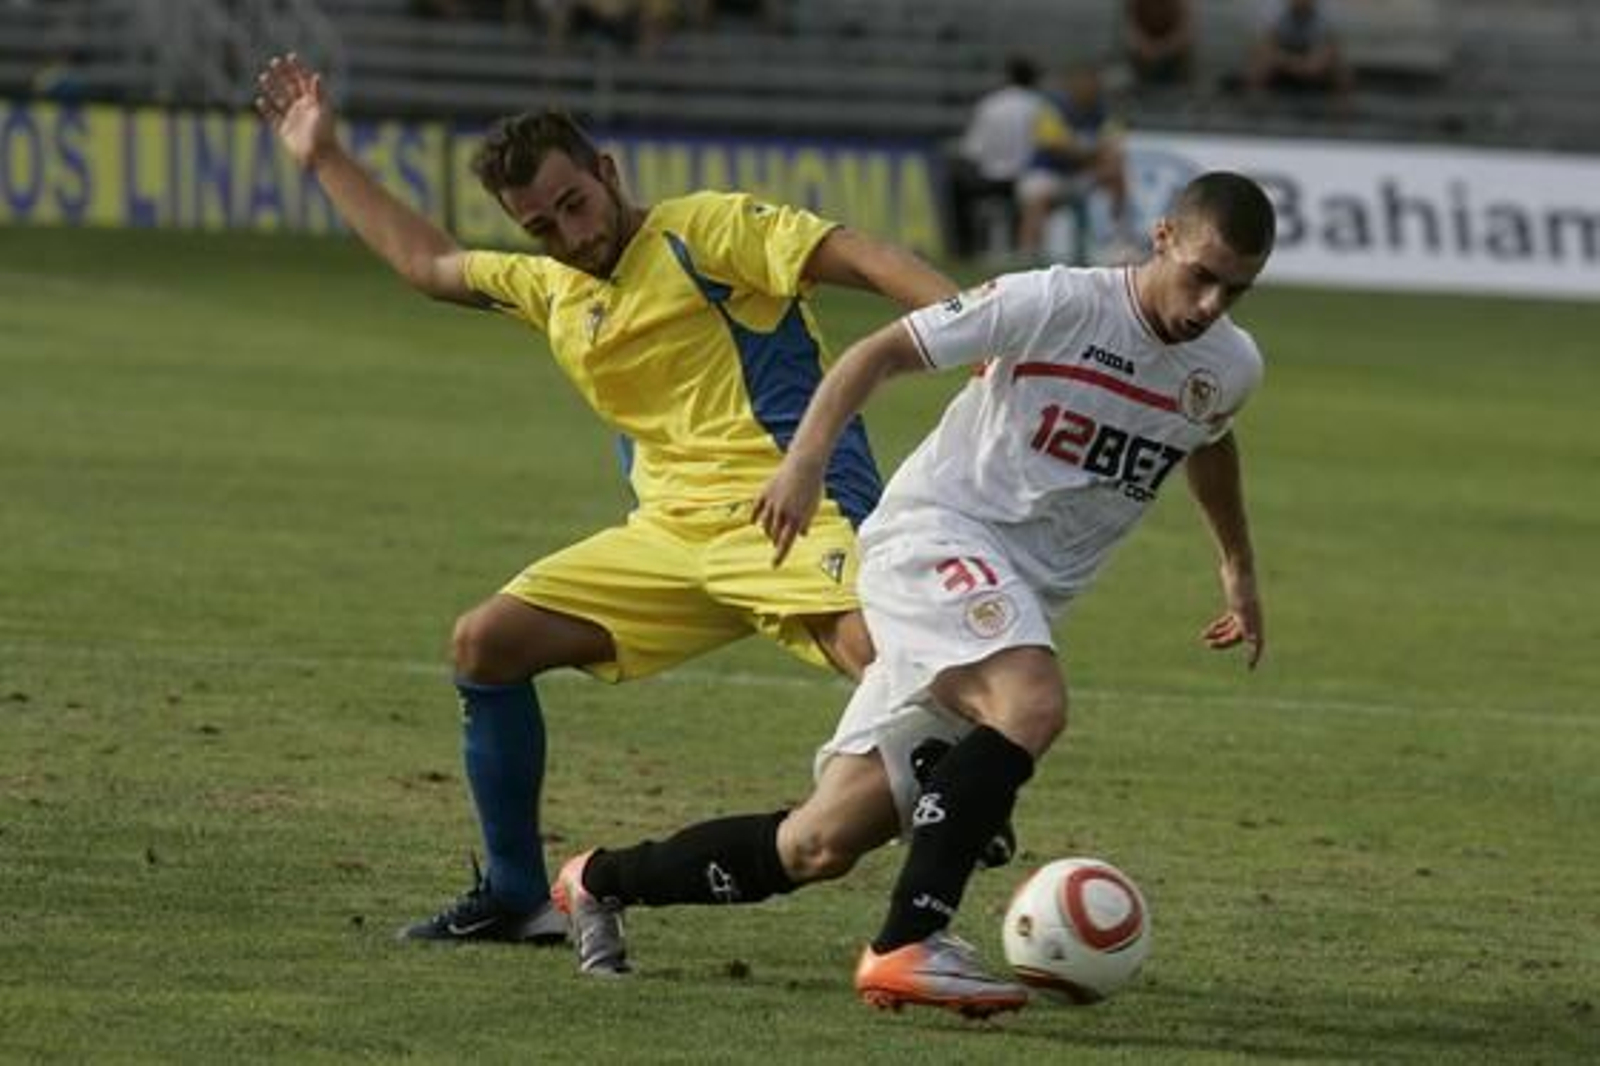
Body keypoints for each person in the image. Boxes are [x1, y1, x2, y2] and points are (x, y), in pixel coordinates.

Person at [252, 53, 958, 945]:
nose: (569, 234)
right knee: (486, 643)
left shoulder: (705, 232)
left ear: (607, 174)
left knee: (906, 671)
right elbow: (428, 264)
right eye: (541, 224)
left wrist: (981, 328)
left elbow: (862, 255)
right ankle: (516, 896)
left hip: (790, 510)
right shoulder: (553, 291)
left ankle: (940, 881)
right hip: (666, 539)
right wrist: (323, 156)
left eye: (574, 204)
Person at [553, 171, 1276, 1018]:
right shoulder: (1054, 302)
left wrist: (1238, 567)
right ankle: (907, 942)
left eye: (1236, 288)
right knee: (1031, 703)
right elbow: (879, 351)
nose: (1211, 304)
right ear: (1161, 238)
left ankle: (594, 881)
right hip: (935, 541)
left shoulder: (1229, 365)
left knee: (818, 842)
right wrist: (806, 461)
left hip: (1008, 604)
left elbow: (1210, 440)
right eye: (1201, 274)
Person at [1014, 65, 1137, 265]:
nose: (1088, 88)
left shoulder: (1101, 110)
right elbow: (1055, 147)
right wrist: (1091, 151)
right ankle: (1028, 253)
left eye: (1092, 84)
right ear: (1072, 86)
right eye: (1083, 83)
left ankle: (1120, 239)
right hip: (1048, 172)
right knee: (1036, 197)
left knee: (1115, 174)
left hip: (1079, 173)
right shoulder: (1054, 108)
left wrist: (1084, 151)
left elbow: (1114, 145)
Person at [946, 55, 1047, 261]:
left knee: (956, 187)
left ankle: (965, 247)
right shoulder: (1040, 105)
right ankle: (1026, 247)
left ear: (1008, 77)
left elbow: (972, 149)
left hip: (990, 180)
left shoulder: (990, 104)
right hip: (1025, 178)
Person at [1246, 0, 1354, 102]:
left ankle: (1341, 111)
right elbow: (1267, 46)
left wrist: (1315, 63)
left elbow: (1331, 47)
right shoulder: (1272, 9)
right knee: (1259, 63)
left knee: (1340, 68)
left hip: (1313, 55)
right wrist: (1292, 63)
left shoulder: (1327, 9)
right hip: (1283, 55)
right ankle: (1256, 105)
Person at [1123, 0, 1195, 87]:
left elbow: (1184, 30)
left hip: (1174, 57)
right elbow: (1131, 27)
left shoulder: (1182, 4)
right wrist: (1145, 46)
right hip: (1144, 57)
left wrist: (1164, 47)